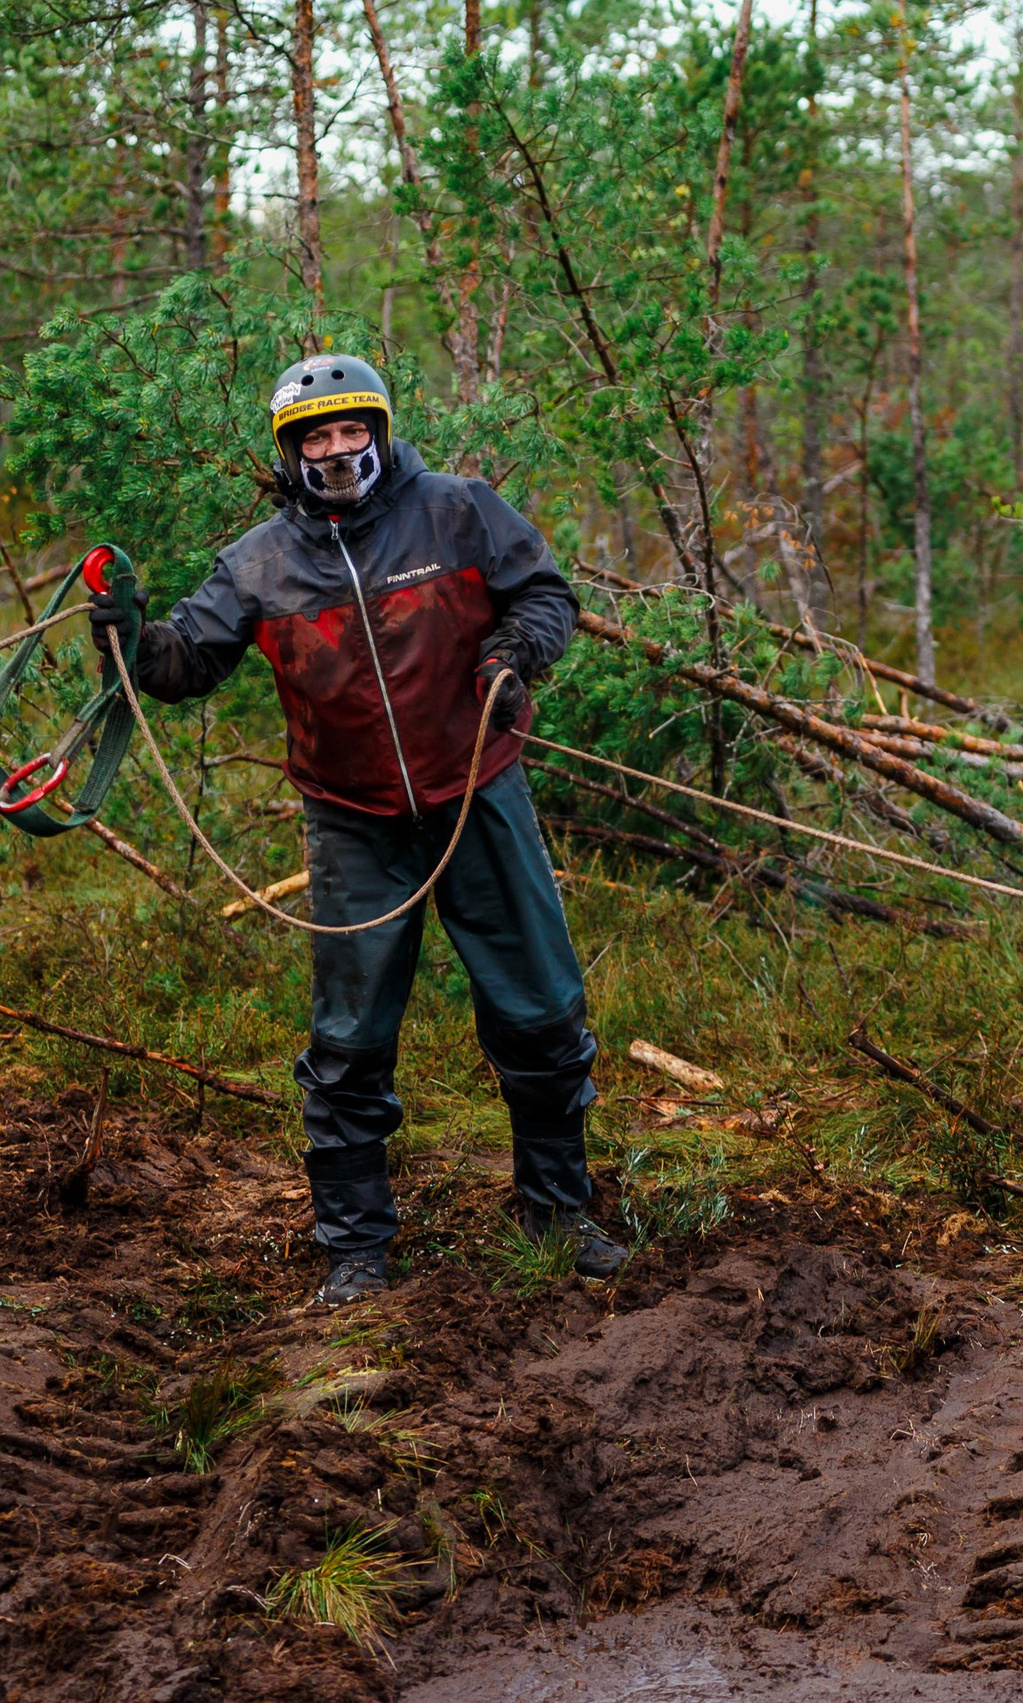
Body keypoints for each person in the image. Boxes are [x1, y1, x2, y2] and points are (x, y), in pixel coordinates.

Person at [89, 352, 628, 1304]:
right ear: (290, 451)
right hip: (351, 824)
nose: (337, 451)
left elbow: (546, 594)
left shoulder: (459, 510)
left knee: (541, 1010)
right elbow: (181, 663)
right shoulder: (257, 562)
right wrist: (126, 633)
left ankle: (558, 1213)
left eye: (351, 430)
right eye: (315, 437)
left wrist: (515, 654)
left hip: (477, 793)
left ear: (378, 430)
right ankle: (354, 1251)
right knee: (348, 1040)